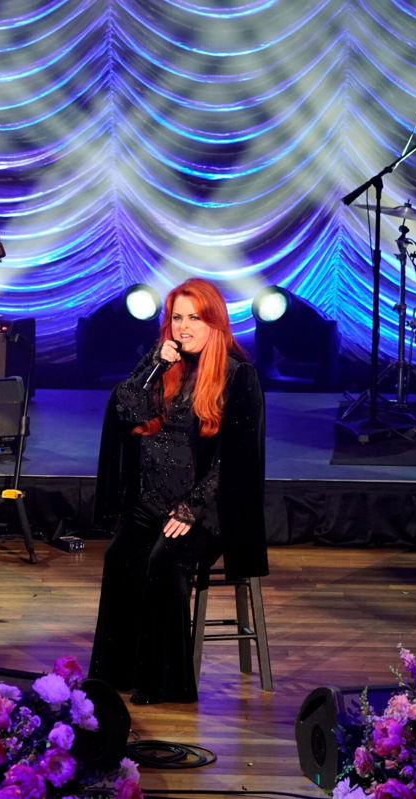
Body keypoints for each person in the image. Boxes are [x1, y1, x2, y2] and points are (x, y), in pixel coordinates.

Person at [90, 278, 267, 705]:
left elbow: (237, 460)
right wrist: (153, 362)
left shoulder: (238, 376)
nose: (183, 328)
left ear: (215, 324)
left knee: (162, 565)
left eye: (194, 318)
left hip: (207, 509)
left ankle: (165, 682)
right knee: (119, 559)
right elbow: (125, 409)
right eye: (176, 318)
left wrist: (191, 508)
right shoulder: (163, 367)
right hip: (151, 502)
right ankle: (117, 673)